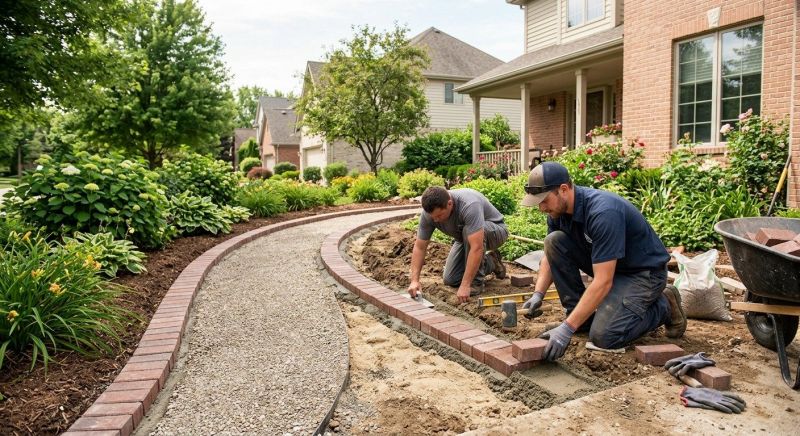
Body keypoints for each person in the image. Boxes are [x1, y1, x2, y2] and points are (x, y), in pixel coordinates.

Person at [520, 161, 687, 361]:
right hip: (613, 268)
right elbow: (550, 254)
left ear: (563, 190)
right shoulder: (557, 211)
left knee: (605, 337)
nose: (541, 208)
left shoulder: (603, 213)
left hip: (643, 274)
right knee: (554, 241)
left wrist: (566, 329)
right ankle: (580, 318)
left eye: (544, 200)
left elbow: (603, 281)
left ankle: (665, 306)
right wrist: (538, 294)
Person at [408, 186, 509, 303]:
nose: (435, 220)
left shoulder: (469, 205)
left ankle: (476, 283)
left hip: (494, 231)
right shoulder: (429, 214)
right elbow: (420, 247)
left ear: (449, 204)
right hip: (465, 238)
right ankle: (492, 261)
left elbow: (476, 247)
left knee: (469, 232)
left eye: (439, 216)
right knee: (451, 279)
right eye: (433, 217)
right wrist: (414, 280)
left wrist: (466, 285)